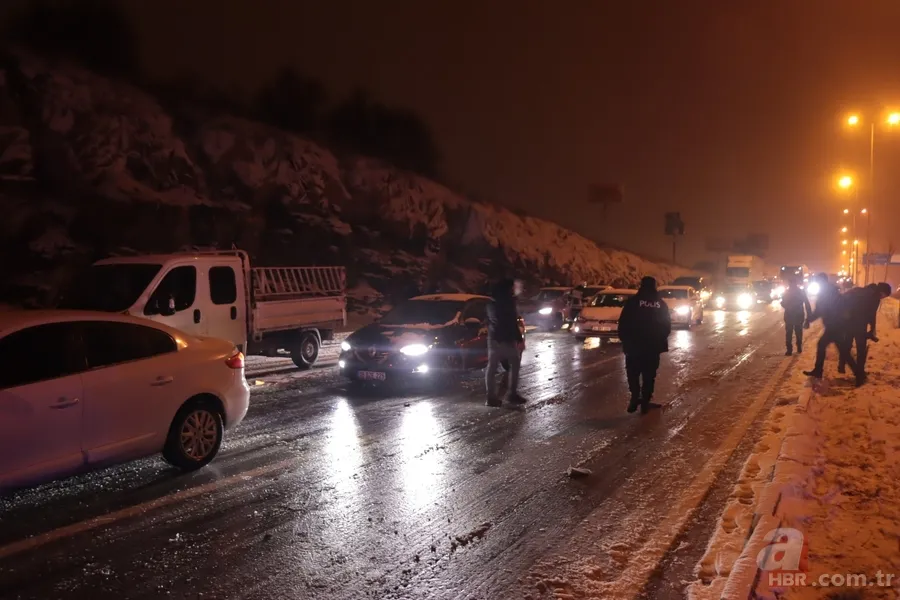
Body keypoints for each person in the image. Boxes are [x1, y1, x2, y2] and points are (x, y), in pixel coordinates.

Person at [618, 276, 672, 414]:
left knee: (633, 373)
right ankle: (645, 402)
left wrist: (625, 341)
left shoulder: (633, 302)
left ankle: (635, 397)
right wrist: (658, 340)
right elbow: (667, 326)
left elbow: (623, 323)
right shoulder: (661, 304)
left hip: (634, 346)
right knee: (649, 375)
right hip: (652, 347)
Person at [803, 273, 861, 384]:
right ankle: (858, 373)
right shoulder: (830, 290)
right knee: (840, 350)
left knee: (837, 350)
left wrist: (808, 320)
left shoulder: (827, 292)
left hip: (835, 325)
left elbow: (820, 310)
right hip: (835, 324)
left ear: (821, 281)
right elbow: (822, 309)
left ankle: (859, 374)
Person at [837, 282, 892, 382]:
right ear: (881, 292)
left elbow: (844, 300)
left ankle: (841, 365)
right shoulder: (874, 297)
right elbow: (872, 315)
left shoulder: (859, 290)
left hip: (848, 323)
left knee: (847, 345)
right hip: (859, 326)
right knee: (861, 350)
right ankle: (860, 374)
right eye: (885, 295)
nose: (883, 298)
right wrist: (872, 329)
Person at [485, 278, 525, 406]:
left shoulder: (492, 302)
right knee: (513, 363)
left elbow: (494, 320)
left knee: (493, 366)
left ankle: (493, 397)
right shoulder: (506, 302)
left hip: (495, 337)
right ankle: (509, 394)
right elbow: (510, 322)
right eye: (512, 288)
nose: (514, 290)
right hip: (503, 339)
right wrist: (518, 339)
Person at [780, 277, 812, 355]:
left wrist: (787, 306)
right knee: (798, 331)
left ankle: (789, 350)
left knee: (789, 332)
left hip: (790, 315)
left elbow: (783, 303)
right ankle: (798, 347)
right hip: (798, 314)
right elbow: (807, 304)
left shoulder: (787, 292)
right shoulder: (801, 292)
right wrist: (808, 317)